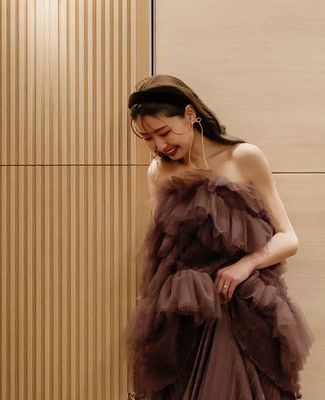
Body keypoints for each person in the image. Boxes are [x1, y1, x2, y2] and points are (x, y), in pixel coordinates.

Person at [122, 75, 314, 400]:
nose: (159, 146)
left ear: (189, 114)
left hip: (241, 308)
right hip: (183, 317)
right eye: (148, 138)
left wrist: (246, 264)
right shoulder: (157, 172)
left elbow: (288, 238)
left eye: (164, 132)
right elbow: (162, 252)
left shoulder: (243, 157)